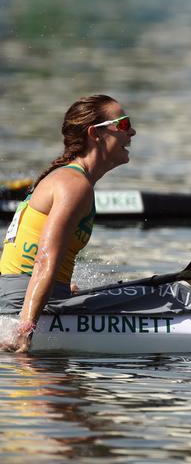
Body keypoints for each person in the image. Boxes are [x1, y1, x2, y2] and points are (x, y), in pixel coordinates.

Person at [0, 94, 135, 351]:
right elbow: (44, 260)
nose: (133, 133)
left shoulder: (70, 180)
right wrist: (25, 329)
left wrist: (61, 287)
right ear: (95, 134)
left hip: (18, 292)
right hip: (19, 303)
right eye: (124, 124)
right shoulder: (73, 185)